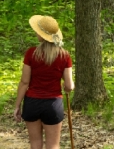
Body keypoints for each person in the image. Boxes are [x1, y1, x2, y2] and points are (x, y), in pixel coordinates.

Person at [14, 15, 74, 149]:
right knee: (53, 145)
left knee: (35, 144)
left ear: (42, 35)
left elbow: (24, 82)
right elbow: (70, 86)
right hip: (53, 104)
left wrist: (17, 105)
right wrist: (67, 87)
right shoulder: (64, 56)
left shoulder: (31, 53)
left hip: (32, 103)